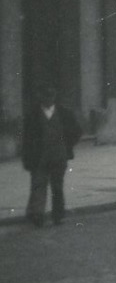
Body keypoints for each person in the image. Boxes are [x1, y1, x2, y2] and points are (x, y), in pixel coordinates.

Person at [21, 85, 83, 227]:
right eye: (46, 97)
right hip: (39, 157)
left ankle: (58, 216)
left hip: (58, 156)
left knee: (57, 187)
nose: (48, 100)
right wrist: (27, 158)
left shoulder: (64, 113)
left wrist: (67, 145)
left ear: (54, 97)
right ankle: (38, 216)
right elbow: (27, 139)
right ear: (41, 98)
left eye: (51, 96)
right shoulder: (33, 115)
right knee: (38, 186)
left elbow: (77, 131)